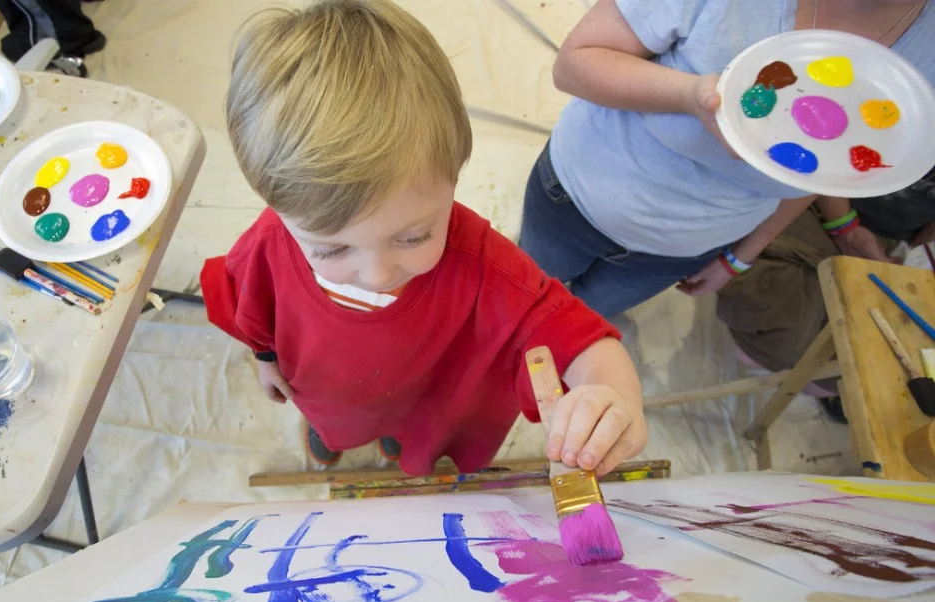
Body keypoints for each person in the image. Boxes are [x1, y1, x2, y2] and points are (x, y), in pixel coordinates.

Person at [200, 0, 647, 476]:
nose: (378, 274)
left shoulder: (484, 267)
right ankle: (333, 434)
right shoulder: (269, 244)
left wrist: (611, 399)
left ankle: (398, 441)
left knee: (410, 436)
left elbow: (577, 340)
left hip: (423, 399)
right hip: (326, 393)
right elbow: (252, 310)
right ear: (279, 211)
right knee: (336, 426)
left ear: (454, 179)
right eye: (331, 249)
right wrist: (267, 359)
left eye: (413, 237)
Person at [520, 0, 934, 317]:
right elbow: (574, 64)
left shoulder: (921, 61)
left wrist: (742, 255)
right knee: (522, 295)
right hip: (576, 196)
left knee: (577, 318)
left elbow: (823, 172)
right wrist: (690, 96)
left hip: (682, 250)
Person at [717, 165, 935, 423]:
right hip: (816, 199)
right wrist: (845, 227)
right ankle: (778, 358)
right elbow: (820, 162)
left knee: (854, 366)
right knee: (765, 318)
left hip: (881, 241)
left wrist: (899, 258)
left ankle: (801, 372)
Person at [0, 0, 106, 75]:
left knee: (8, 45)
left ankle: (62, 44)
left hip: (62, 36)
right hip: (77, 23)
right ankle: (78, 30)